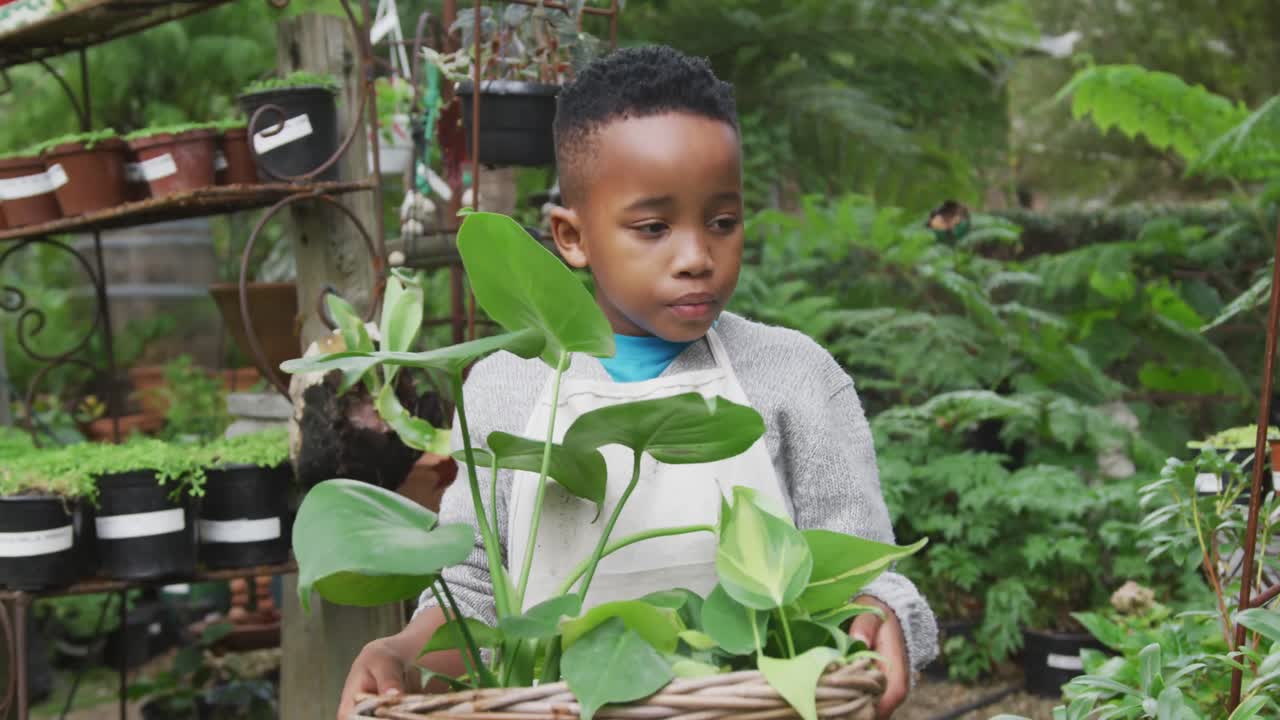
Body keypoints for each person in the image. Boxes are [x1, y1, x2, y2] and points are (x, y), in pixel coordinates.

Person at [338, 45, 937, 720]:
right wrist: (399, 653)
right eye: (653, 227)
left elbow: (864, 573)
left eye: (723, 222)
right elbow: (475, 593)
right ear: (572, 237)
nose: (697, 257)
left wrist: (883, 611)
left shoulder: (792, 375)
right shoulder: (505, 388)